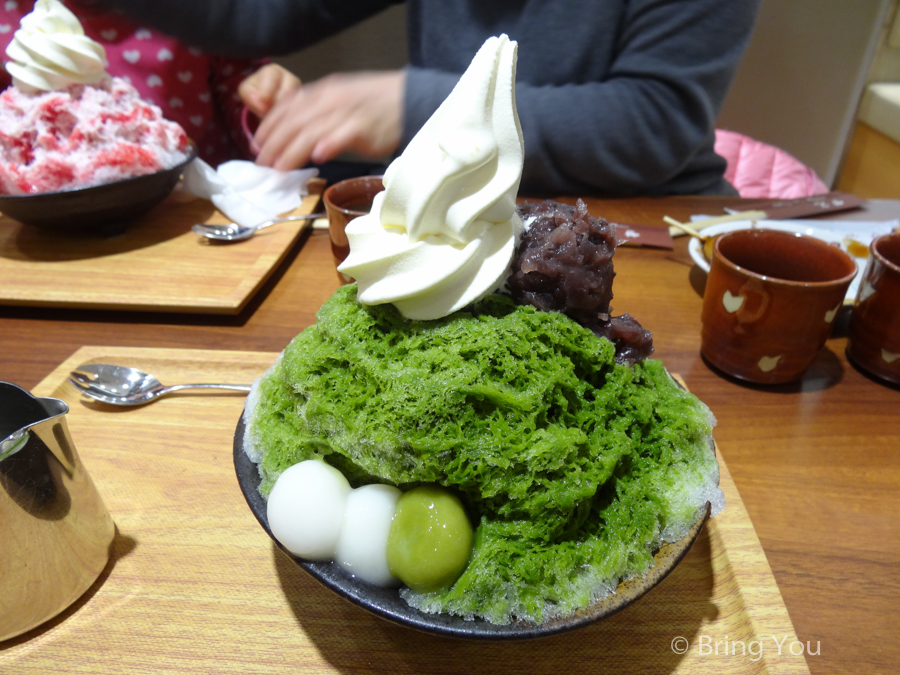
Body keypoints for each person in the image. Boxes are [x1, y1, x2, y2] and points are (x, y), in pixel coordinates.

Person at [92, 0, 761, 196]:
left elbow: (651, 123)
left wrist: (422, 108)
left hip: (646, 221)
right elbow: (259, 13)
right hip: (464, 203)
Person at [0, 0, 272, 166]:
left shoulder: (200, 12)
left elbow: (242, 92)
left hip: (194, 207)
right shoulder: (9, 16)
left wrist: (268, 110)